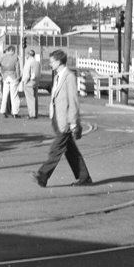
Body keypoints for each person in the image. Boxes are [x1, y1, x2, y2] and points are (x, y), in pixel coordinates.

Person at [33, 50, 92, 187]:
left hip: (65, 121)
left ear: (59, 61)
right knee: (71, 150)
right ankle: (84, 177)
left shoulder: (69, 77)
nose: (50, 64)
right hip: (57, 119)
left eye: (52, 61)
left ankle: (43, 174)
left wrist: (72, 123)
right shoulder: (57, 76)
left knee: (56, 148)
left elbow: (73, 101)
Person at [0, 45, 21, 118]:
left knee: (5, 95)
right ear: (13, 50)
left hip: (5, 77)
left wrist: (2, 74)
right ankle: (15, 112)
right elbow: (17, 68)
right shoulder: (15, 57)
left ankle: (3, 111)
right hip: (13, 76)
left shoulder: (3, 58)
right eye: (14, 51)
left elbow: (0, 67)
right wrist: (18, 77)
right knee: (14, 95)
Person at [21, 48, 41, 119]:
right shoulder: (37, 62)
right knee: (35, 98)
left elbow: (26, 73)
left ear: (28, 55)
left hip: (29, 81)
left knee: (30, 98)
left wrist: (25, 82)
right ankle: (35, 113)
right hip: (36, 81)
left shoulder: (28, 62)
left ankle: (32, 114)